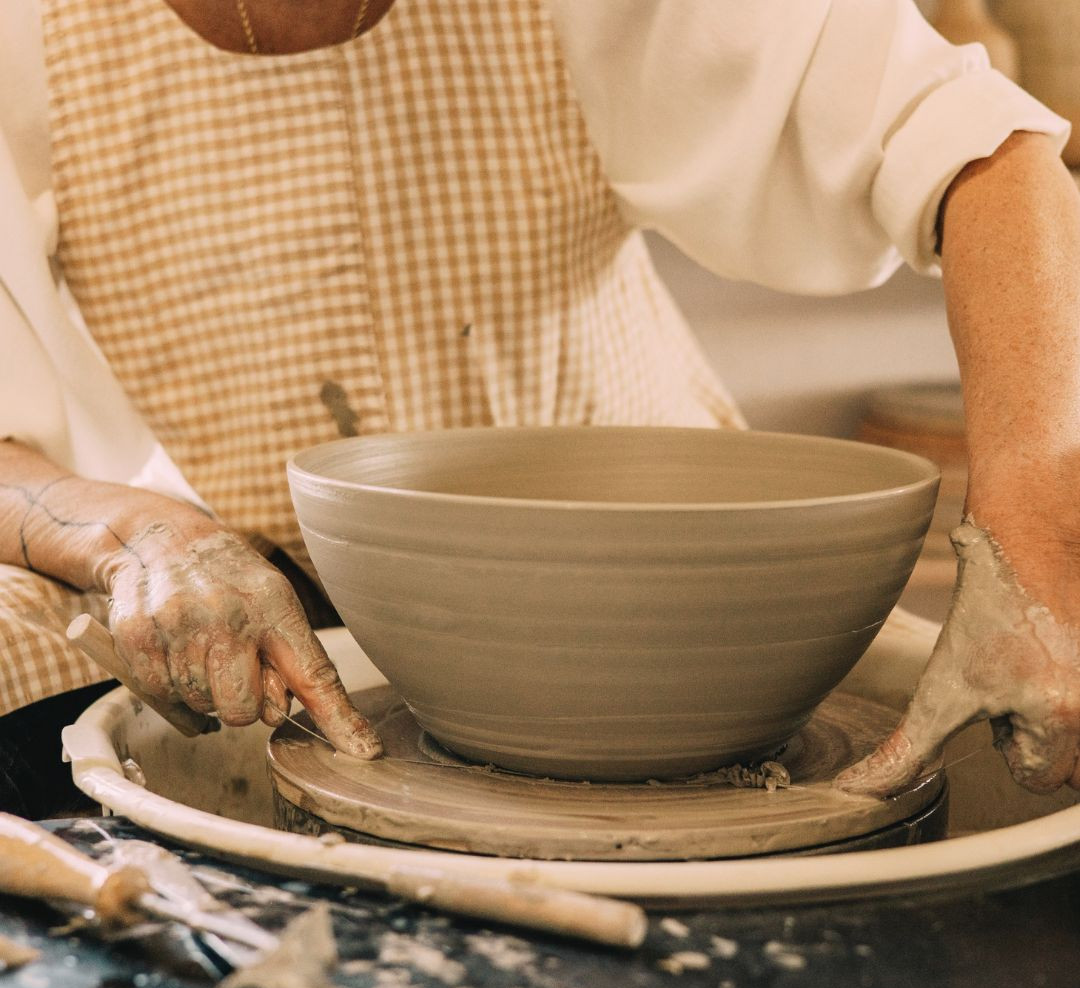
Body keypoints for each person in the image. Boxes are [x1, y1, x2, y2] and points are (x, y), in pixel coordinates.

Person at [0, 0, 1077, 816]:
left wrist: (1038, 536)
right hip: (267, 594)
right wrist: (130, 533)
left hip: (681, 592)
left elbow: (982, 152)